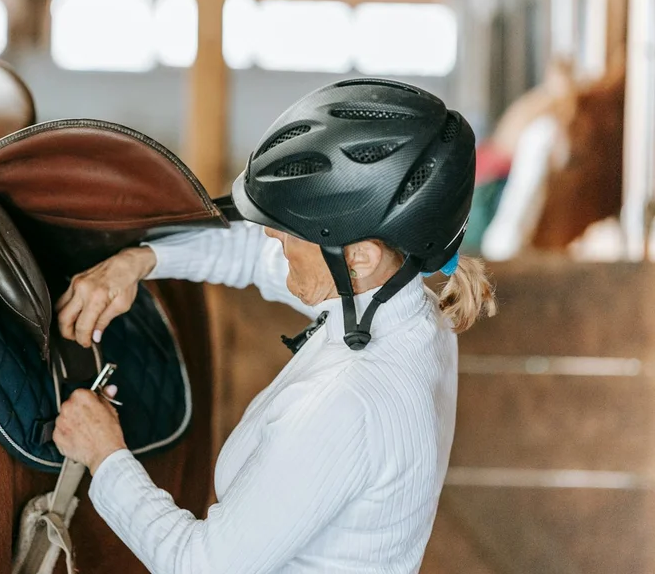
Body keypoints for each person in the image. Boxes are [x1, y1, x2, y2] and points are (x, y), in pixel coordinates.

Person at [51, 79, 497, 573]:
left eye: (292, 229)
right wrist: (142, 260)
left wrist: (104, 453)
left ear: (360, 257)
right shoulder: (408, 313)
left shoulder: (348, 402)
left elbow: (200, 566)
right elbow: (254, 255)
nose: (270, 233)